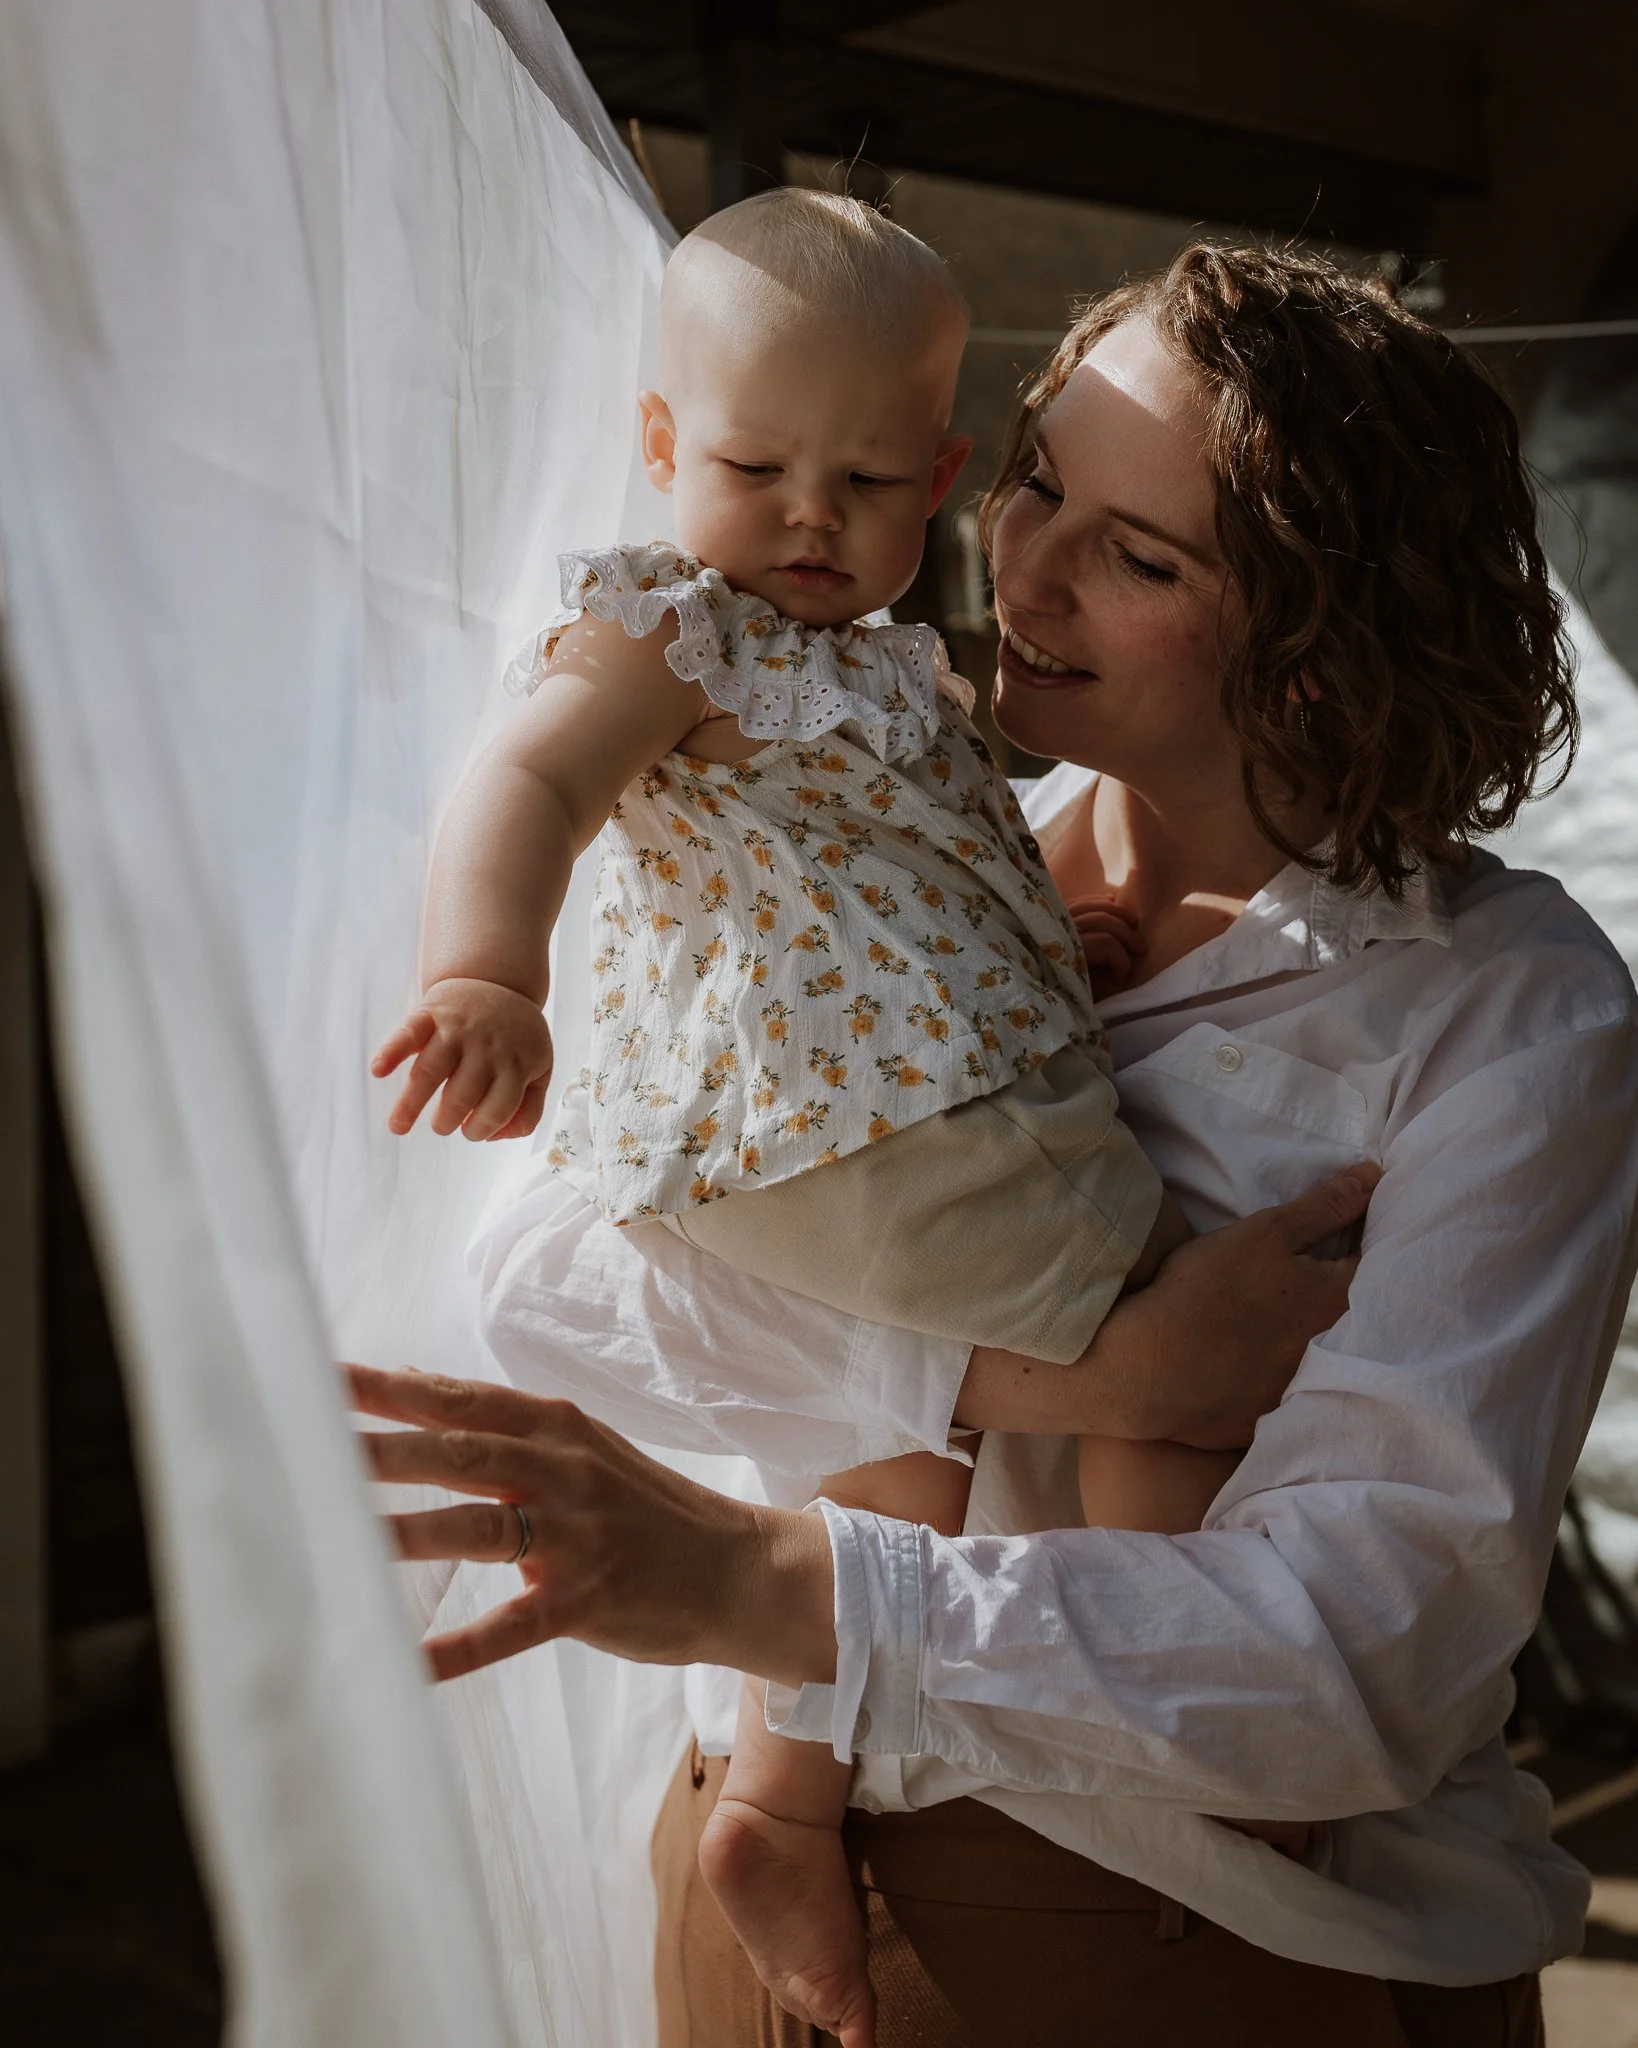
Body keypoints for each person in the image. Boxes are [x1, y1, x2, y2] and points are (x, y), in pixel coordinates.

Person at [356, 241, 1638, 2048]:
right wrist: (1078, 1377)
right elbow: (551, 1275)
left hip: (1188, 1941)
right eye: (1039, 478)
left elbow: (1364, 1654)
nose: (1019, 567)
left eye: (1135, 555)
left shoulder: (1495, 1006)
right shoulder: (880, 838)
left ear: (1319, 647)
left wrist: (766, 1578)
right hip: (731, 1869)